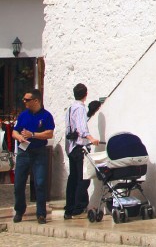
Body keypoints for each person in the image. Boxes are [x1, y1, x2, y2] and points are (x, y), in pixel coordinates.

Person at [12, 88, 55, 224]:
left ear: (36, 101)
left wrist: (33, 135)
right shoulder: (24, 115)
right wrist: (20, 138)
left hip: (39, 152)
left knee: (40, 183)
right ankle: (19, 210)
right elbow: (14, 132)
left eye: (27, 99)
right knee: (19, 183)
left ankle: (41, 214)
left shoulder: (46, 116)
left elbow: (49, 134)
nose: (24, 101)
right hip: (24, 152)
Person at [64, 84, 99, 219]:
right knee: (83, 179)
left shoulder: (70, 108)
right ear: (85, 94)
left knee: (73, 178)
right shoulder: (80, 108)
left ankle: (70, 207)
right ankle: (78, 208)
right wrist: (91, 138)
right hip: (79, 147)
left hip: (71, 147)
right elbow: (81, 128)